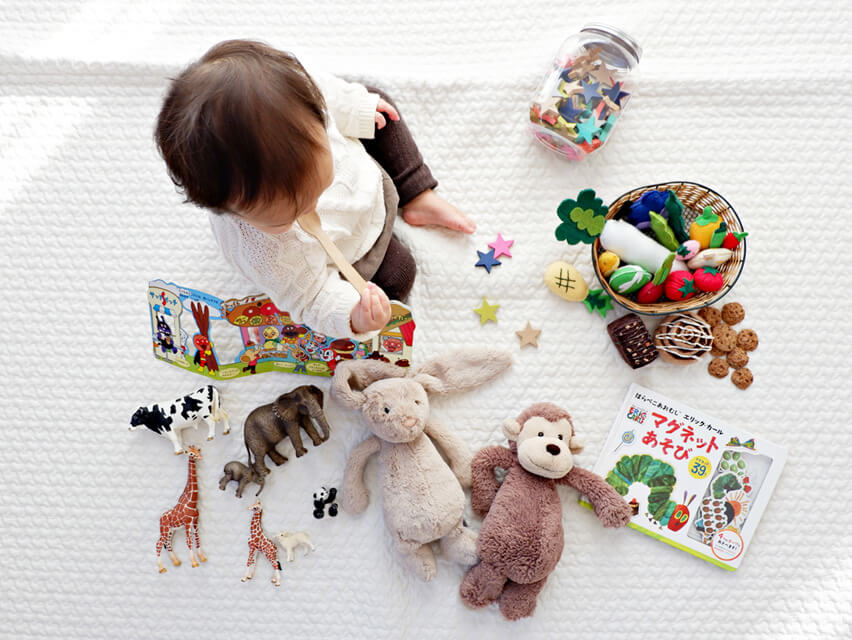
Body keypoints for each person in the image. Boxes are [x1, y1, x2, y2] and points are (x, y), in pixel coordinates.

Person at [155, 40, 475, 339]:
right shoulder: (265, 253)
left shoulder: (301, 98)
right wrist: (354, 316)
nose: (312, 208)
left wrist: (356, 109)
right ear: (227, 210)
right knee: (399, 275)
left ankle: (417, 195)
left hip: (365, 178)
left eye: (318, 187)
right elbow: (312, 298)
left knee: (378, 110)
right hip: (349, 249)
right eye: (288, 215)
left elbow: (331, 95)